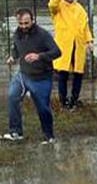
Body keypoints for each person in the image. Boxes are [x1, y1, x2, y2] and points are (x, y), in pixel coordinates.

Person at [3, 8, 61, 144]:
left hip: (41, 77)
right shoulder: (17, 34)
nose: (24, 26)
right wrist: (12, 57)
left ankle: (49, 137)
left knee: (42, 107)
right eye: (21, 23)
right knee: (12, 96)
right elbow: (17, 49)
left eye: (26, 23)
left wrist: (39, 56)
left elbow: (57, 52)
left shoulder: (43, 35)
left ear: (32, 20)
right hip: (23, 75)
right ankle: (16, 132)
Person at [48, 0, 94, 110]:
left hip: (78, 45)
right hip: (64, 46)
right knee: (63, 74)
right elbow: (51, 4)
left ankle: (74, 100)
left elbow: (85, 27)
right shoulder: (58, 7)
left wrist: (89, 41)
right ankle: (63, 102)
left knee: (78, 74)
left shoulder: (79, 8)